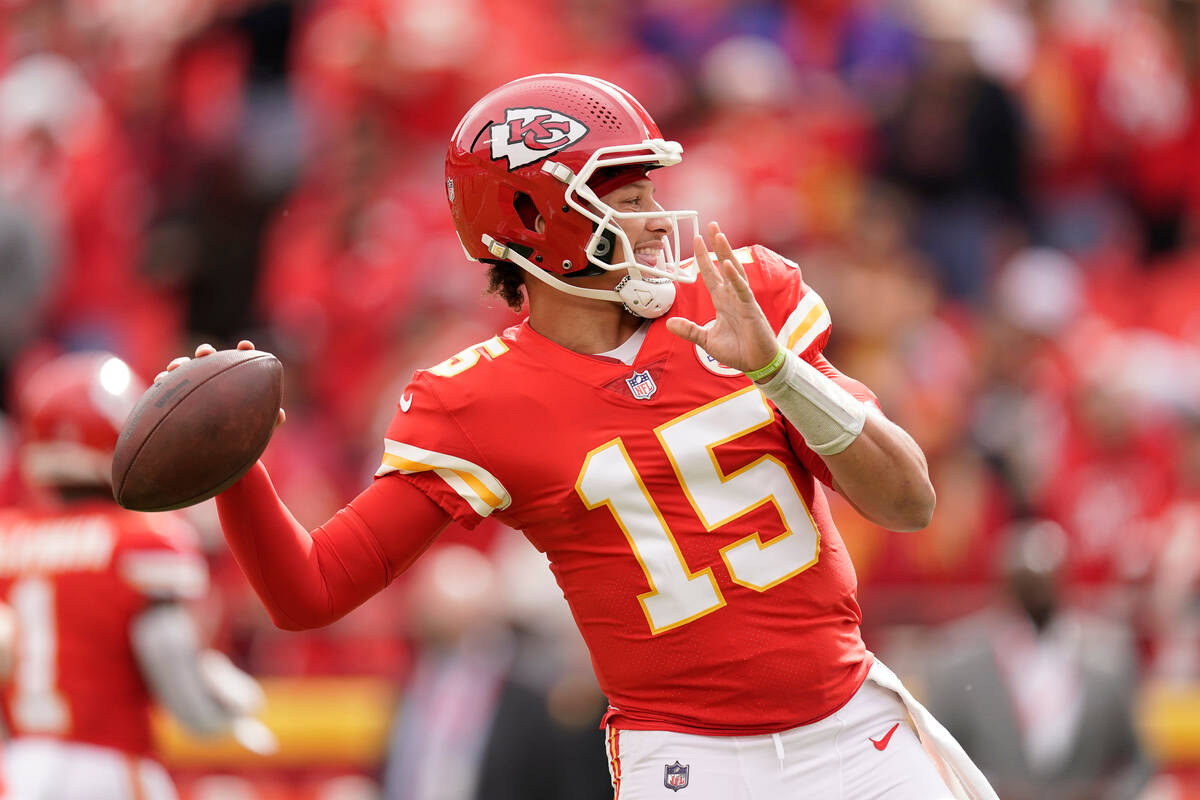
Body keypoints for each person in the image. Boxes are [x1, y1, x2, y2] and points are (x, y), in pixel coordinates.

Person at [175, 73, 996, 799]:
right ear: (534, 219)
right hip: (689, 764)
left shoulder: (741, 296)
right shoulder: (476, 401)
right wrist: (235, 468)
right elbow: (309, 591)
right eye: (626, 195)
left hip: (856, 729)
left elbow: (909, 501)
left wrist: (778, 371)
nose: (654, 218)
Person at [0, 351, 273, 800]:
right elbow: (177, 679)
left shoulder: (10, 538)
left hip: (20, 771)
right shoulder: (141, 540)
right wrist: (232, 706)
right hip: (110, 768)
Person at [925, 518, 1155, 800]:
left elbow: (1139, 761)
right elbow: (935, 757)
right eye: (1025, 581)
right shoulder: (956, 663)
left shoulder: (1109, 659)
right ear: (1003, 582)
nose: (1035, 591)